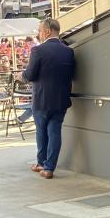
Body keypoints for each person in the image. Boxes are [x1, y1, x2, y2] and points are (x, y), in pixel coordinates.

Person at [22, 17, 75, 178]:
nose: (39, 34)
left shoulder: (38, 50)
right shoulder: (68, 51)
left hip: (42, 99)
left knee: (41, 131)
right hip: (61, 99)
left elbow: (30, 75)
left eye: (39, 31)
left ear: (47, 31)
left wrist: (21, 76)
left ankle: (41, 162)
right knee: (54, 132)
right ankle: (49, 168)